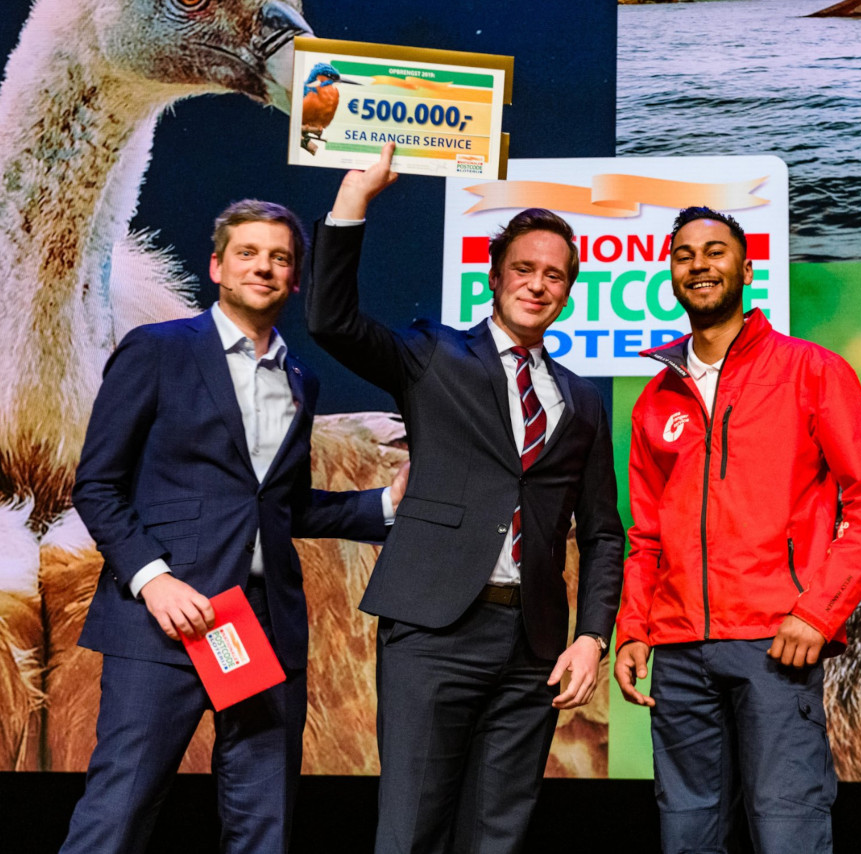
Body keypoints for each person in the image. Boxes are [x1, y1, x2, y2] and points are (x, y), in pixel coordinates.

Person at [307, 143, 624, 854]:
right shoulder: (432, 356)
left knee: (496, 836)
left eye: (554, 276)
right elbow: (332, 321)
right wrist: (355, 200)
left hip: (533, 646)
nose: (538, 286)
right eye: (524, 270)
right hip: (433, 632)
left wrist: (590, 636)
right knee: (412, 830)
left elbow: (604, 533)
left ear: (569, 291)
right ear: (494, 275)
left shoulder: (582, 400)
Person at [61, 200, 400, 854]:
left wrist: (386, 506)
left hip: (263, 630)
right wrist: (154, 580)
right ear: (217, 265)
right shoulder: (157, 350)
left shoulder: (300, 381)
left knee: (262, 825)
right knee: (116, 818)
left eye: (280, 258)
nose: (264, 268)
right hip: (165, 624)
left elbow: (286, 507)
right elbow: (98, 486)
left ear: (295, 278)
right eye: (248, 253)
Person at [614, 206, 861, 853]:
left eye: (715, 251)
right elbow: (647, 534)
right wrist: (635, 627)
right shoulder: (656, 397)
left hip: (778, 644)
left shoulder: (812, 371)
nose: (699, 265)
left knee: (787, 831)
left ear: (746, 268)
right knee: (687, 833)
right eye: (684, 254)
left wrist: (818, 612)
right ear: (670, 272)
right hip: (682, 650)